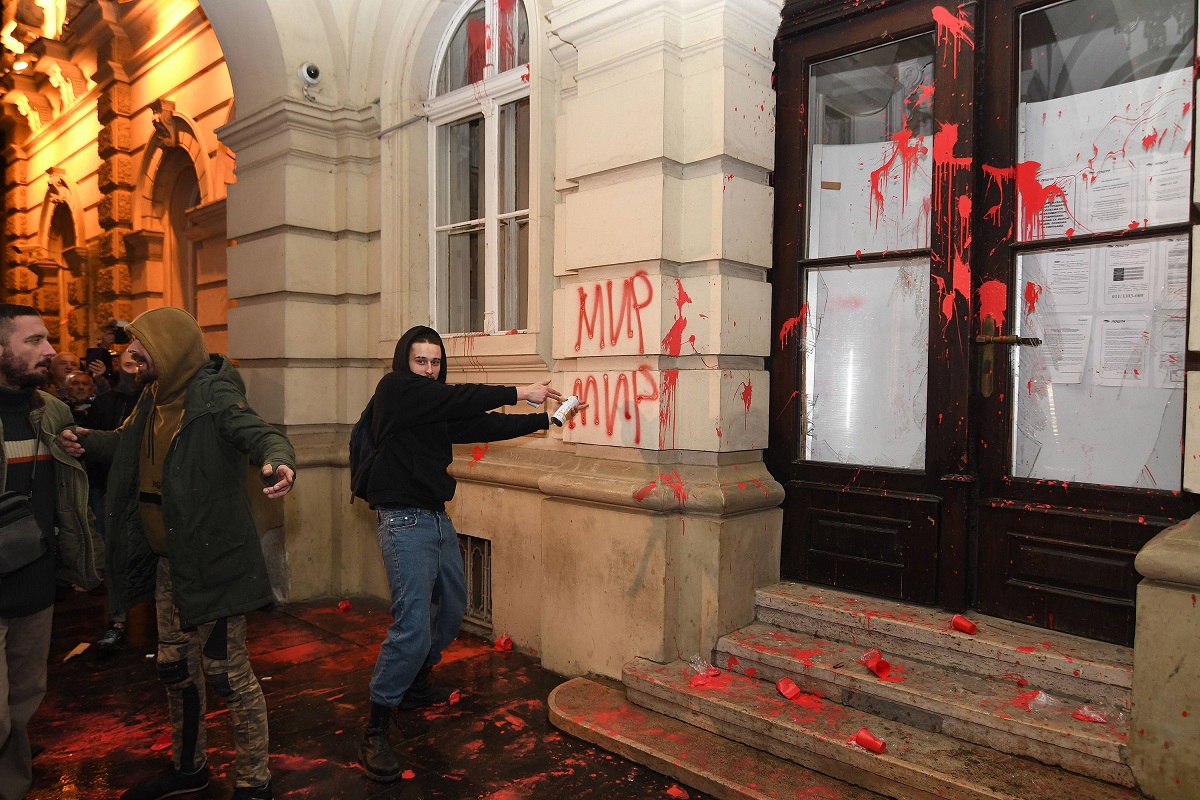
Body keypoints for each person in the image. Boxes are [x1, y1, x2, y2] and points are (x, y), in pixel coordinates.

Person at [58, 307, 295, 800]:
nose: (129, 356)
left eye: (140, 347)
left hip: (215, 564)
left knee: (227, 675)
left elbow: (261, 433)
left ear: (170, 349)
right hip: (169, 565)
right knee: (175, 669)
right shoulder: (151, 399)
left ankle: (255, 782)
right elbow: (124, 447)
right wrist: (84, 441)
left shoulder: (213, 395)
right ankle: (190, 769)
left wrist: (279, 461)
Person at [357, 325, 561, 782]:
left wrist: (545, 419)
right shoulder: (395, 390)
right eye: (420, 361)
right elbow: (460, 400)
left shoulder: (433, 404)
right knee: (411, 624)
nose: (429, 371)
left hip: (434, 517)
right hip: (402, 519)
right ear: (403, 363)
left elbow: (483, 422)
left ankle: (414, 682)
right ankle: (376, 725)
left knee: (451, 609)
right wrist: (520, 390)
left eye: (434, 362)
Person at [0, 304, 101, 799]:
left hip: (37, 588)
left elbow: (68, 493)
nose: (50, 351)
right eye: (34, 341)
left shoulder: (53, 411)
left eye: (48, 339)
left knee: (23, 703)